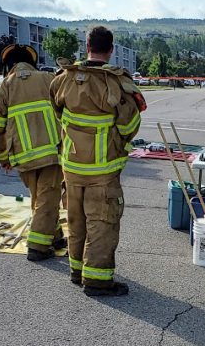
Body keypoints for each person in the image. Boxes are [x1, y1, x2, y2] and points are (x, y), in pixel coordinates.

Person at [50, 26, 145, 297]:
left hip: (71, 166)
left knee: (76, 219)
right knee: (102, 223)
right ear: (111, 50)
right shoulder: (116, 82)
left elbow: (58, 113)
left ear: (86, 45)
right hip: (102, 169)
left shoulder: (63, 79)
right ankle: (97, 281)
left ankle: (76, 271)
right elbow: (130, 124)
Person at [0, 44, 65, 262]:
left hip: (22, 157)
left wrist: (2, 156)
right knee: (47, 198)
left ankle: (55, 235)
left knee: (41, 199)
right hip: (51, 153)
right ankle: (38, 247)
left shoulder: (4, 86)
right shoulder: (49, 79)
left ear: (9, 65)